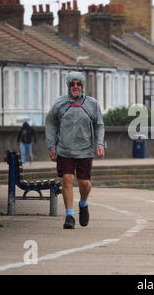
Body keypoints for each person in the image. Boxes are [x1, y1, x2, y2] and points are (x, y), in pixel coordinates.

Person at [45, 71, 105, 229]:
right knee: (67, 179)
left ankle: (83, 204)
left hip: (85, 150)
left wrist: (100, 144)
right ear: (68, 86)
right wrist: (52, 146)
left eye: (78, 84)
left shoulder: (92, 104)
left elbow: (99, 125)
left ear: (83, 86)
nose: (75, 87)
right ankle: (69, 215)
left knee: (85, 183)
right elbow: (50, 123)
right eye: (72, 84)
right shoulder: (60, 104)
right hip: (64, 149)